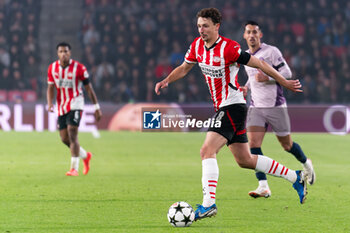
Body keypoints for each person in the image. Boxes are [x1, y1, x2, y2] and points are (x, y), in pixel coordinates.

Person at [155, 8, 307, 222]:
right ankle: (295, 177)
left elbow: (260, 63)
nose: (201, 30)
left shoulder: (229, 48)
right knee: (244, 160)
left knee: (207, 150)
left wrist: (283, 81)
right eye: (199, 25)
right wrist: (167, 80)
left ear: (217, 26)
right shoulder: (197, 46)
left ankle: (208, 204)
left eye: (206, 25)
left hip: (233, 106)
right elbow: (184, 67)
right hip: (223, 107)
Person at [241, 21, 316, 198]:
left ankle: (306, 164)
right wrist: (246, 87)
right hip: (256, 107)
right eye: (248, 32)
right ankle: (263, 186)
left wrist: (267, 78)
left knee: (286, 145)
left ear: (260, 35)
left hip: (275, 106)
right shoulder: (244, 56)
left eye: (254, 32)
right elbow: (253, 79)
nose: (251, 35)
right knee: (253, 145)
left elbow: (287, 73)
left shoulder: (271, 52)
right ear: (244, 36)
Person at [47, 42, 102, 176]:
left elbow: (89, 89)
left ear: (70, 53)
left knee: (72, 133)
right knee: (64, 139)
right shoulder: (52, 68)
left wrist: (96, 107)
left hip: (76, 103)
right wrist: (49, 103)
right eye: (61, 51)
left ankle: (74, 169)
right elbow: (50, 87)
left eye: (66, 51)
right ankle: (85, 156)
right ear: (57, 53)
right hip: (61, 105)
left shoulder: (79, 68)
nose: (63, 54)